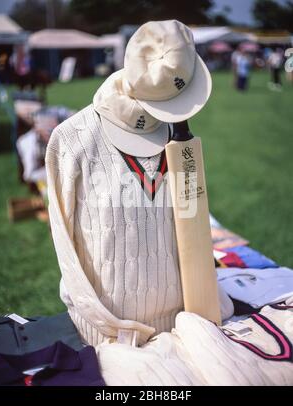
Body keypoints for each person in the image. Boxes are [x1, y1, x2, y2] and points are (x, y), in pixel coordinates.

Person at [46, 20, 233, 348]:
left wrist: (208, 302)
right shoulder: (71, 139)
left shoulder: (180, 136)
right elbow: (65, 248)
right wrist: (108, 326)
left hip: (187, 323)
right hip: (104, 335)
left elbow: (191, 225)